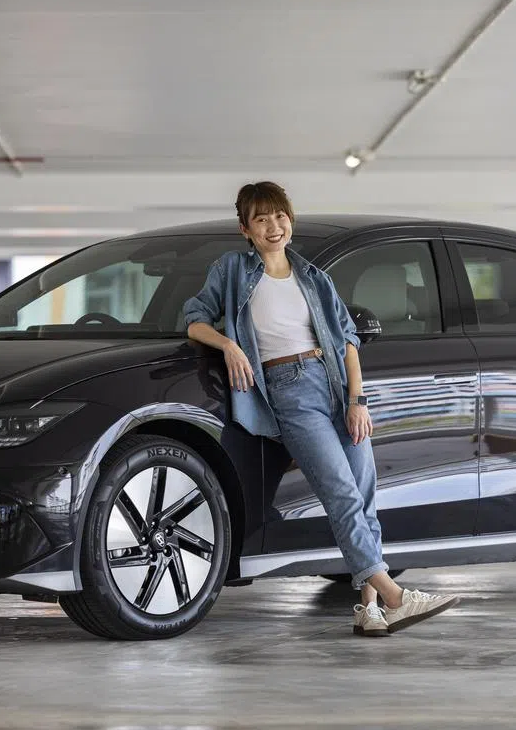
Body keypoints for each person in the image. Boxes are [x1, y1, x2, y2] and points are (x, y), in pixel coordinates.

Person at [183, 181, 460, 637]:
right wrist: (229, 345)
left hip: (335, 388)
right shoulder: (232, 270)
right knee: (341, 494)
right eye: (261, 219)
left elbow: (347, 342)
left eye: (280, 216)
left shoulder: (313, 276)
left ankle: (370, 609)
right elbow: (194, 319)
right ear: (245, 229)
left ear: (290, 219)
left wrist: (357, 401)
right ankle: (397, 596)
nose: (274, 226)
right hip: (287, 389)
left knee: (364, 497)